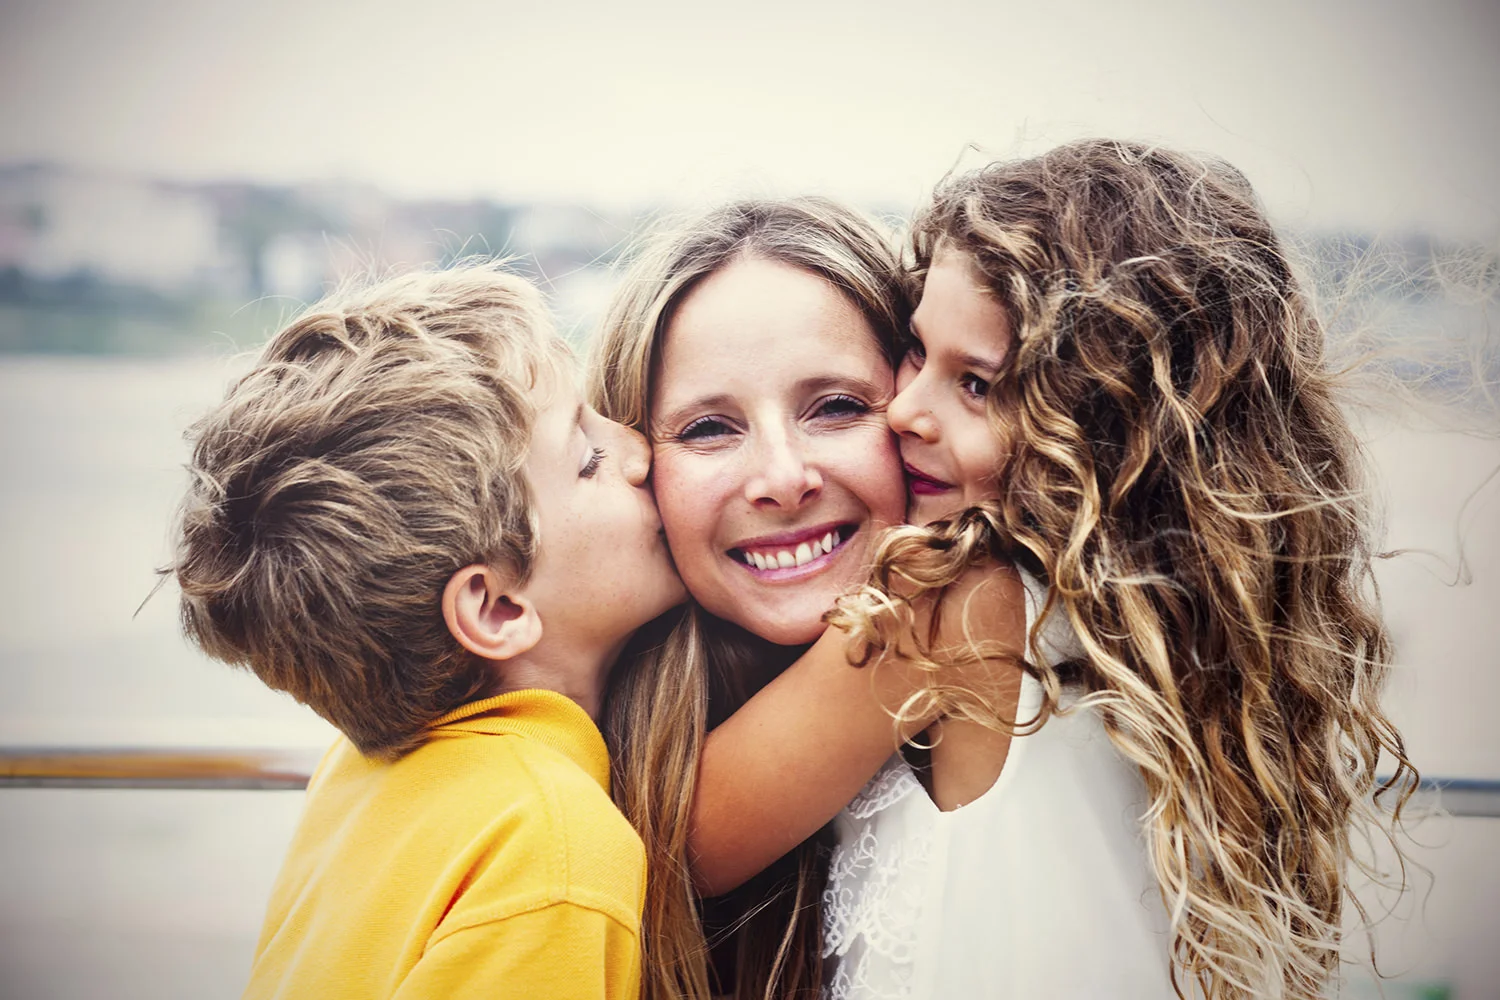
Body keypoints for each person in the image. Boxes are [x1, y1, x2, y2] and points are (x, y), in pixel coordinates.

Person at [813, 138, 1417, 998]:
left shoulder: (963, 605)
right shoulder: (1177, 644)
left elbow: (700, 838)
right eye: (918, 349)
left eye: (978, 385)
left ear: (1108, 433)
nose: (906, 408)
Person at [169, 264, 685, 999]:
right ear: (496, 610)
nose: (639, 450)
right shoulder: (555, 850)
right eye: (588, 459)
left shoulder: (353, 775)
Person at [590, 197, 1013, 1000]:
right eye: (709, 429)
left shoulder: (959, 601)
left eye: (839, 407)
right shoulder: (596, 717)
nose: (784, 480)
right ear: (633, 463)